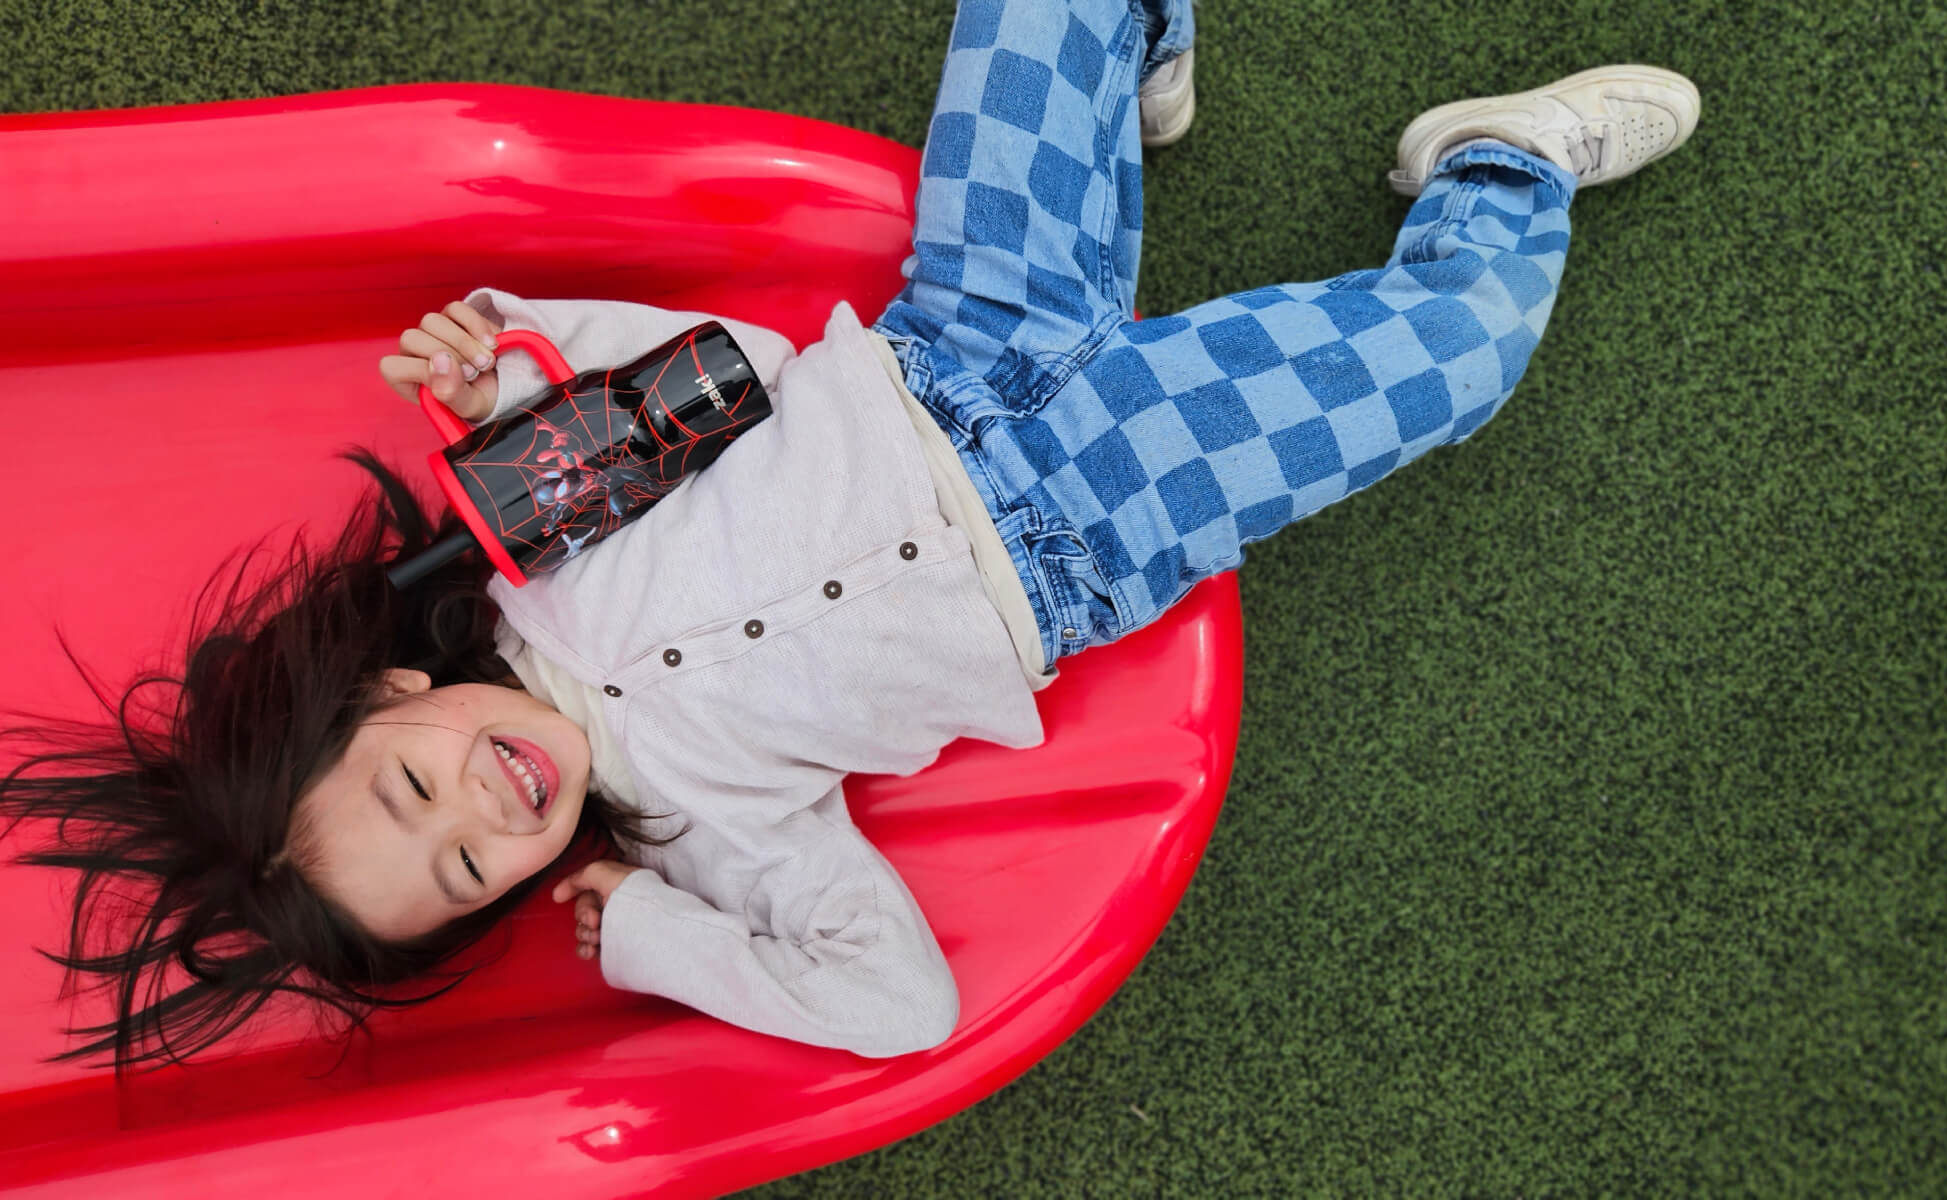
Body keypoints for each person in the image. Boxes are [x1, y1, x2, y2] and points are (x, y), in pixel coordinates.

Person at [0, 0, 1699, 1069]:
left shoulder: (531, 545)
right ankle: (1496, 168)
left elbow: (726, 365)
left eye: (412, 784)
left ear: (387, 692)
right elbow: (902, 1006)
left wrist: (516, 350)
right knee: (1455, 361)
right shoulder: (705, 836)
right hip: (1093, 519)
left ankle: (1137, 56)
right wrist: (667, 943)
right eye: (464, 873)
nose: (482, 811)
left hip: (957, 337)